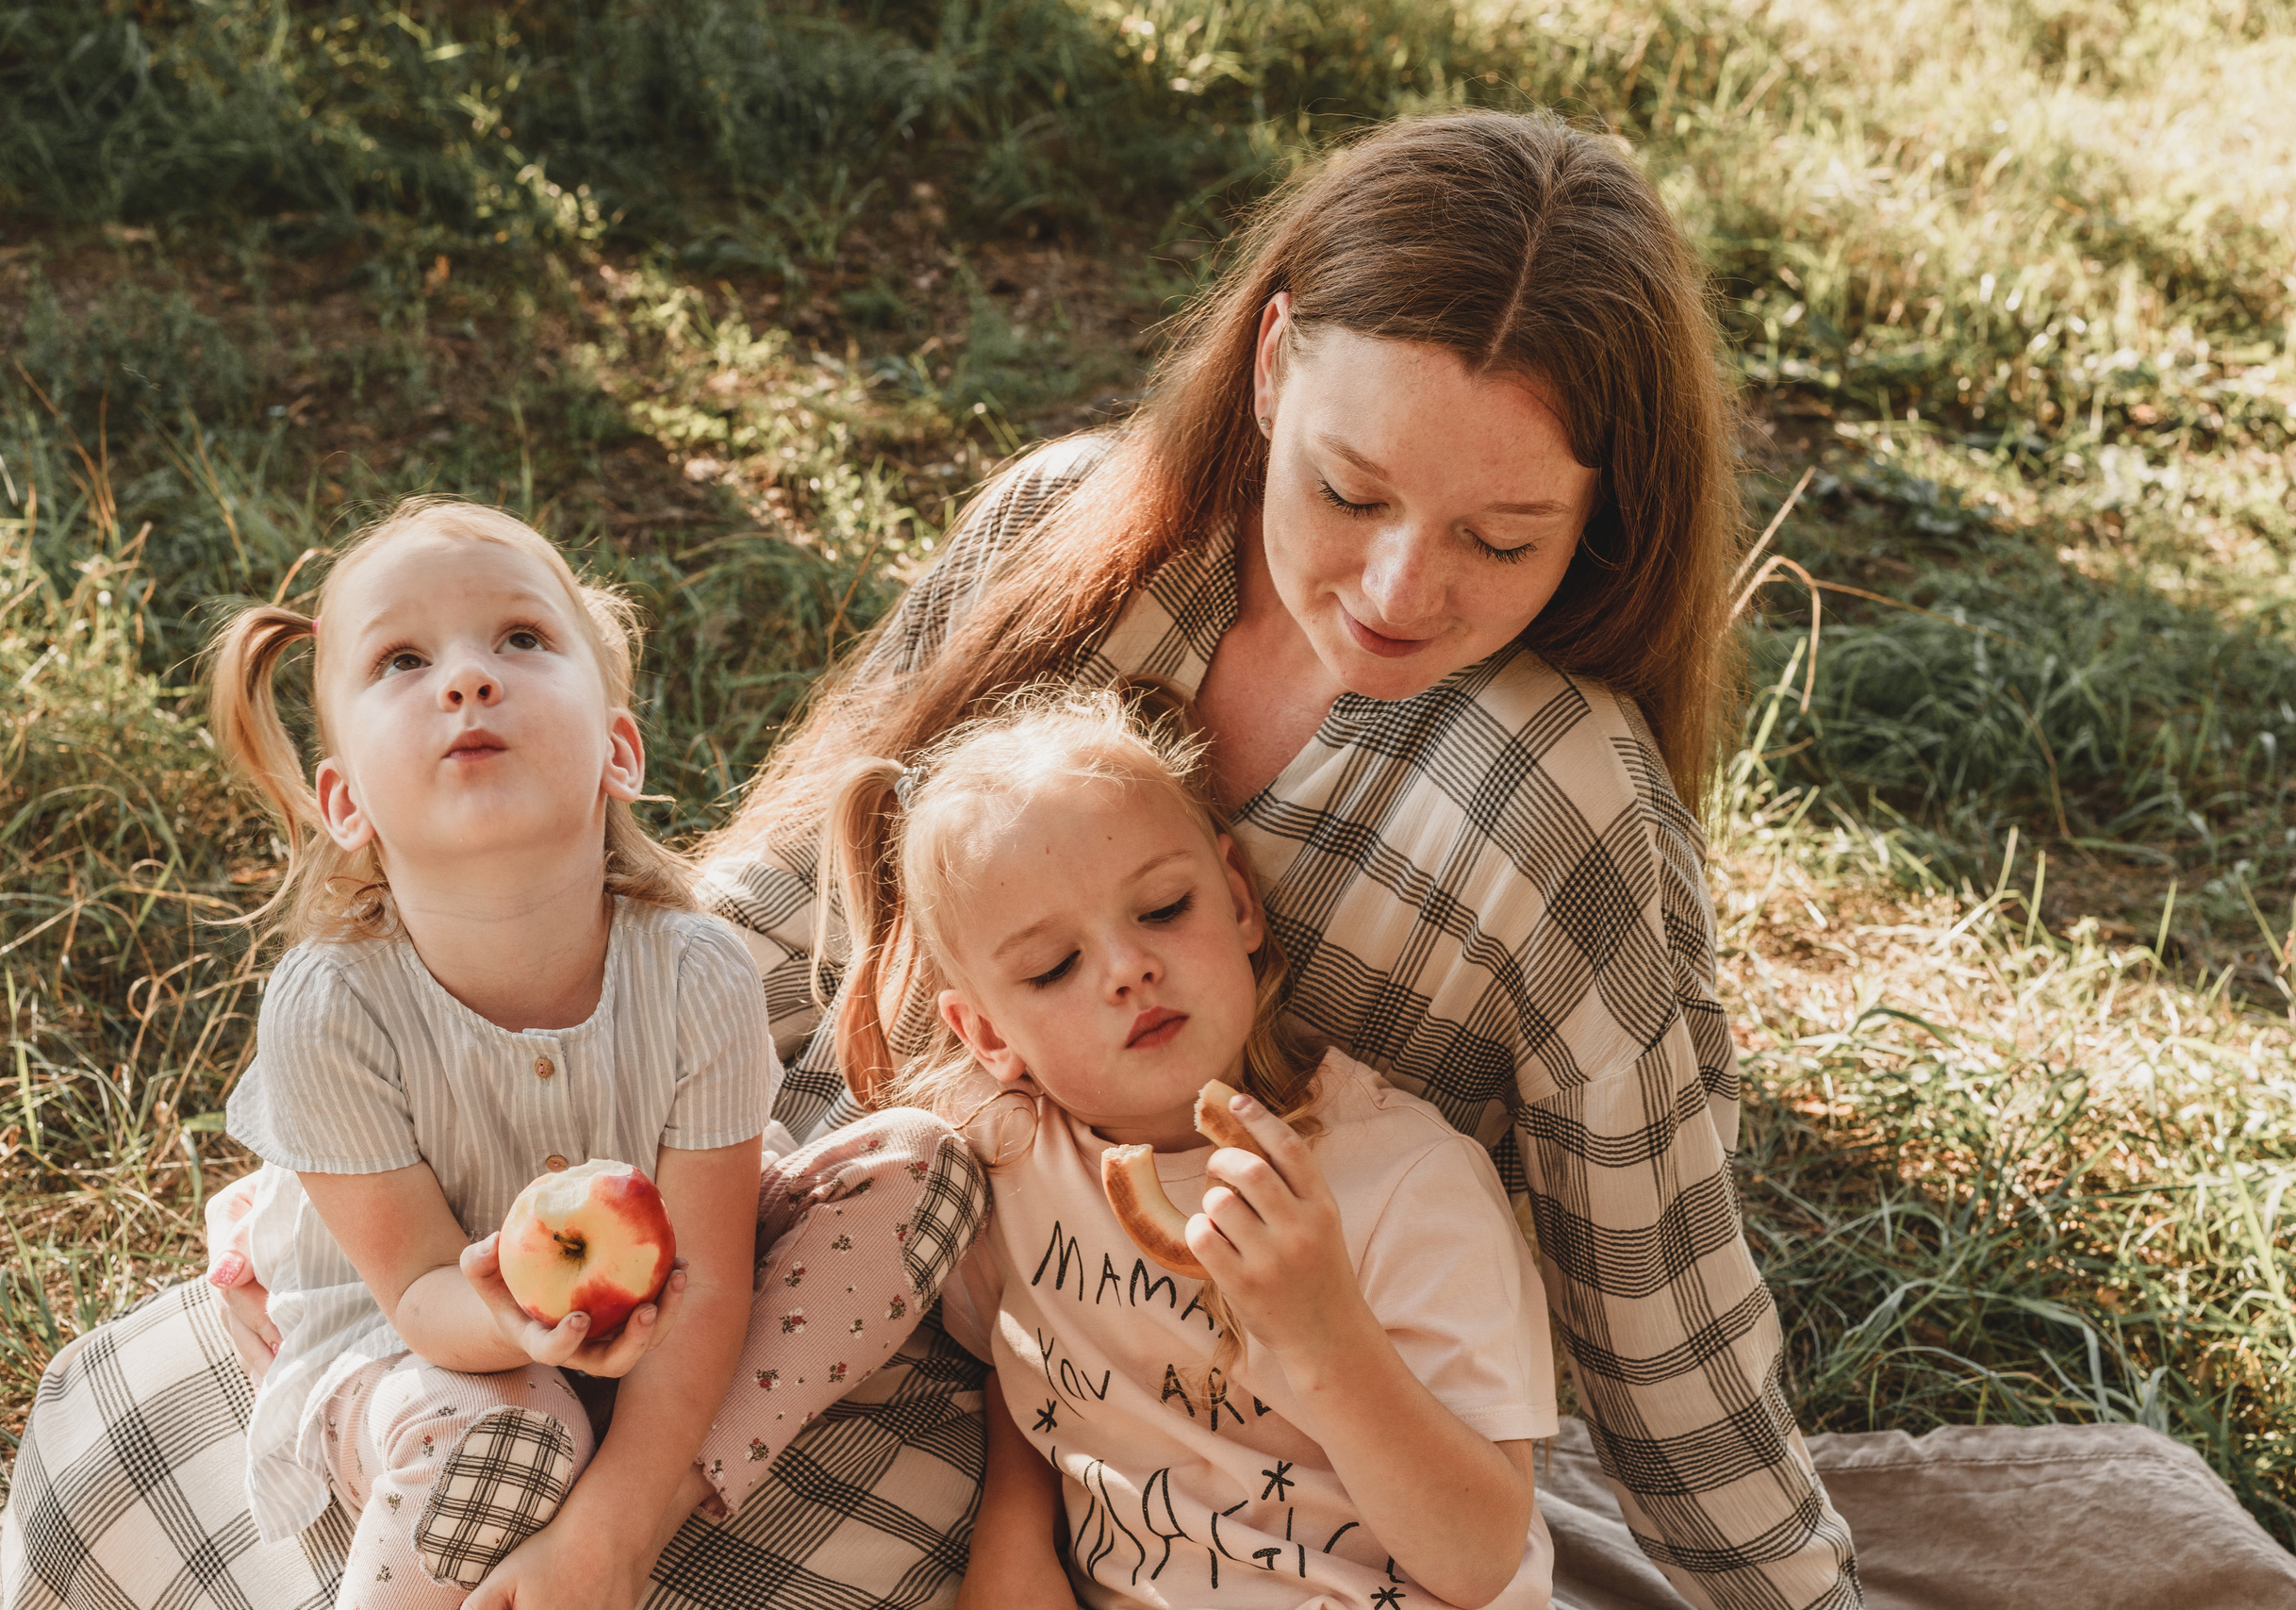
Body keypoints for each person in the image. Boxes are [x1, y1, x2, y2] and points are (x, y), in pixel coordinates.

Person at [4, 108, 1853, 1610]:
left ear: (1605, 516)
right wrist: (456, 1159)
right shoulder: (1074, 531)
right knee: (140, 1439)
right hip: (766, 1203)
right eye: (1350, 491)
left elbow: (1660, 1319)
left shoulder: (1561, 808)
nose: (1392, 588)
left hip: (1060, 1402)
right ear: (1277, 359)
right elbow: (769, 920)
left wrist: (1794, 1596)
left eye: (1500, 537)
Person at [0, 498, 981, 1610]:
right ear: (344, 802)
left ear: (617, 749)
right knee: (514, 1427)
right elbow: (417, 1286)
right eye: (404, 660)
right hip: (413, 1341)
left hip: (648, 1299)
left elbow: (708, 1279)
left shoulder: (695, 974)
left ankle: (636, 1518)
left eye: (519, 640)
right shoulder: (330, 1008)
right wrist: (509, 1318)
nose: (466, 680)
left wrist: (618, 1512)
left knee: (914, 1165)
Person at [820, 688, 1561, 1608]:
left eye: (1164, 909)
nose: (1128, 968)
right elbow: (1026, 1363)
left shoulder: (1406, 1180)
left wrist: (1322, 1329)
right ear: (988, 1037)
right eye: (1053, 967)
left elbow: (1482, 1555)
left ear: (1238, 899)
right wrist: (1013, 1547)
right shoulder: (1007, 1163)